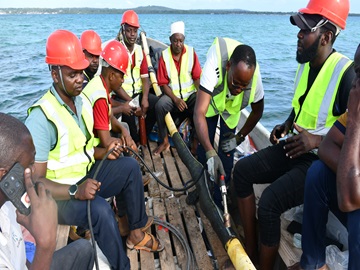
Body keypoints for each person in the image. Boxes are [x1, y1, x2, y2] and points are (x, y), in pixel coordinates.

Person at [25, 29, 163, 270]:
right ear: (54, 74)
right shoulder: (41, 118)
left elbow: (84, 151)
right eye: (72, 74)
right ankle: (123, 266)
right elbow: (36, 183)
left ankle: (134, 233)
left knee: (129, 167)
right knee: (99, 210)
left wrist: (107, 152)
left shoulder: (79, 101)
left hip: (85, 177)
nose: (80, 79)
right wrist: (74, 190)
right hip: (58, 198)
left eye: (81, 72)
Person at [232, 0, 354, 269]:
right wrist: (286, 124)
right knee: (241, 172)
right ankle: (250, 253)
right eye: (299, 28)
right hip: (296, 147)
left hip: (319, 165)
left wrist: (316, 141)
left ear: (326, 37)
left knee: (270, 204)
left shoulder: (347, 74)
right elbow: (301, 107)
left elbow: (354, 140)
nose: (298, 35)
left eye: (305, 30)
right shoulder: (305, 64)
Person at [287, 43, 360, 270]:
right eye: (357, 72)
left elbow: (349, 199)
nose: (356, 83)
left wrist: (356, 120)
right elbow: (327, 147)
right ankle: (313, 263)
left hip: (354, 200)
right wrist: (350, 176)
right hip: (352, 186)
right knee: (318, 173)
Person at [0, 113, 94, 270]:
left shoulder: (8, 205)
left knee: (84, 250)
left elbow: (23, 261)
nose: (34, 171)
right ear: (3, 174)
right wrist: (46, 244)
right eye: (29, 165)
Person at [83, 40, 150, 237]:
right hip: (86, 166)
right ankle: (136, 233)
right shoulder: (100, 97)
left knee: (126, 161)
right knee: (129, 167)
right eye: (121, 76)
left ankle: (123, 222)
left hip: (90, 153)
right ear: (111, 74)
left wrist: (124, 131)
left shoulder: (98, 85)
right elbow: (107, 143)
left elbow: (110, 118)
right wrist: (127, 145)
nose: (122, 82)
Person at [194, 37, 264, 208]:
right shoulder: (215, 63)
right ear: (228, 67)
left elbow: (257, 111)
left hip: (230, 113)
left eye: (243, 86)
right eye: (235, 83)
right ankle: (200, 190)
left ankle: (219, 202)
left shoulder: (255, 81)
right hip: (210, 105)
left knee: (226, 157)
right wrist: (211, 152)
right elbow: (198, 112)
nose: (238, 89)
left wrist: (239, 137)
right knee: (204, 150)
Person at [154, 21, 202, 155]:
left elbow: (197, 77)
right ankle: (164, 141)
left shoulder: (191, 53)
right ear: (170, 40)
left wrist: (201, 96)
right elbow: (163, 84)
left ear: (184, 40)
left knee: (201, 105)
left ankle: (194, 144)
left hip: (190, 96)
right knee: (160, 106)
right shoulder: (164, 56)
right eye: (175, 41)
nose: (178, 44)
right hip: (173, 97)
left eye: (181, 41)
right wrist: (175, 100)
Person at [111, 10, 159, 145]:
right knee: (129, 112)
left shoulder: (140, 50)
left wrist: (144, 98)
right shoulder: (117, 51)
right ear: (123, 30)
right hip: (123, 95)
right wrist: (132, 101)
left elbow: (145, 78)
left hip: (138, 94)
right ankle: (135, 142)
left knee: (157, 104)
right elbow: (116, 85)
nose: (132, 34)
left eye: (135, 31)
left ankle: (145, 134)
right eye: (129, 30)